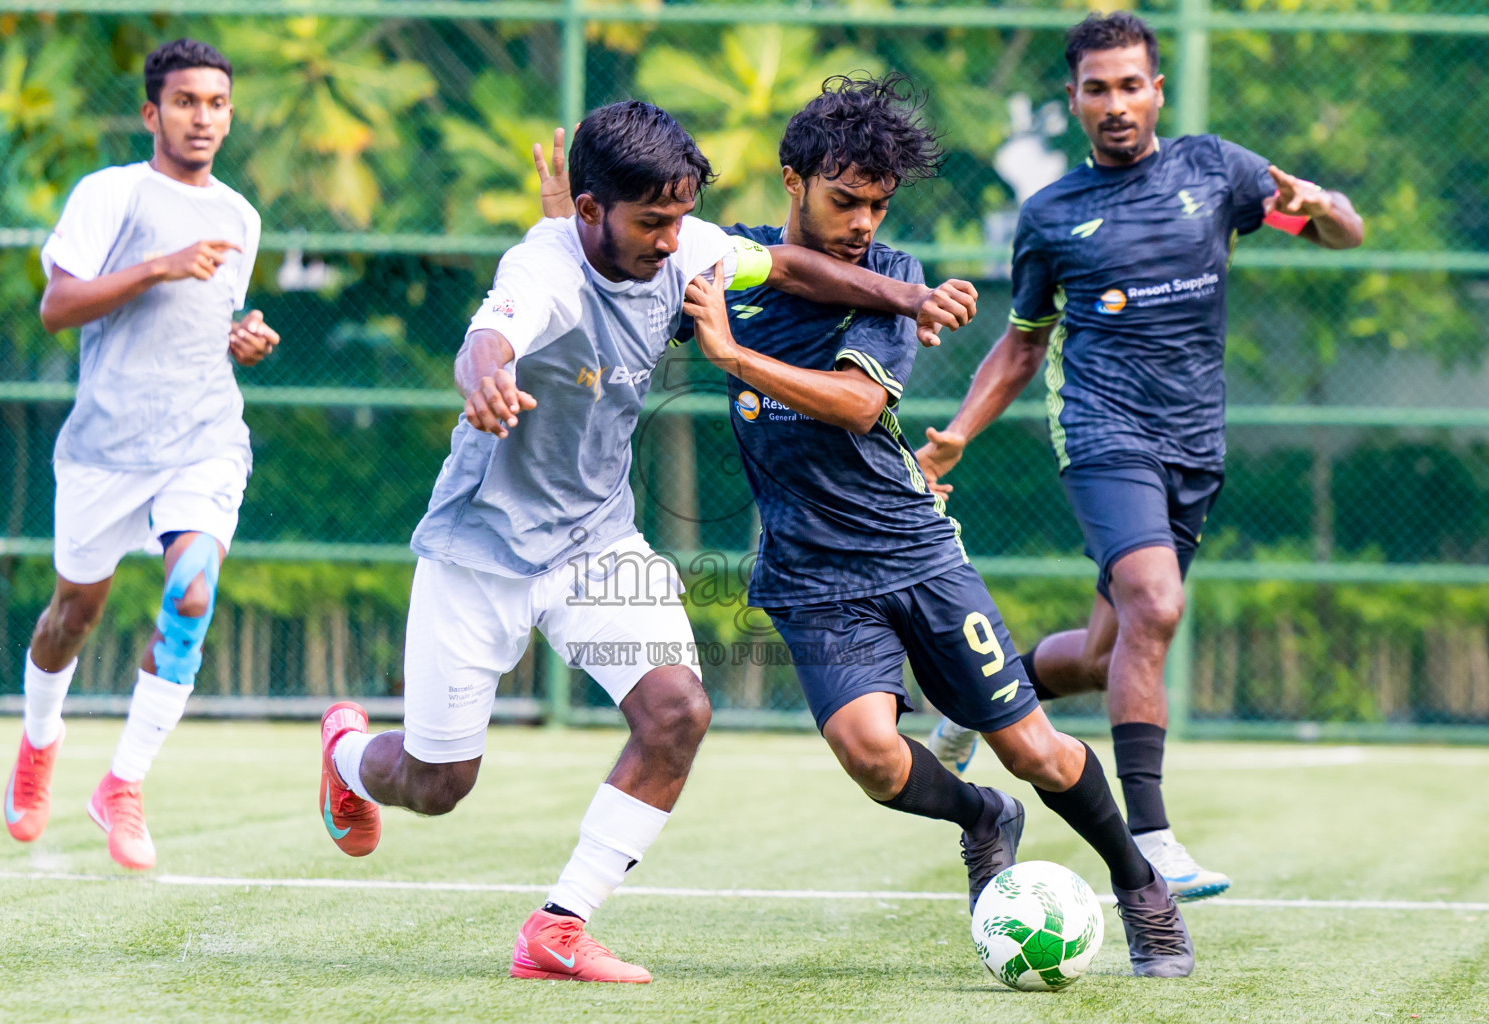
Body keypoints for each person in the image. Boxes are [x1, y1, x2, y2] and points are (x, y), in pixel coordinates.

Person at [315, 100, 979, 985]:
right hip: (482, 553)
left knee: (676, 714)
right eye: (651, 222)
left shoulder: (690, 245)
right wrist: (484, 381)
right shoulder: (542, 267)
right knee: (438, 785)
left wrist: (910, 296)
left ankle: (560, 926)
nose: (673, 243)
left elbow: (787, 267)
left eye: (679, 218)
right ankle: (348, 757)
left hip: (596, 543)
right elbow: (487, 339)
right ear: (588, 210)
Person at [659, 72, 1194, 979]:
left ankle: (1141, 884)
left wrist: (730, 355)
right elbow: (635, 279)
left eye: (878, 203)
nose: (864, 222)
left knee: (1035, 750)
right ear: (793, 182)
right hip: (806, 571)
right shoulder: (731, 262)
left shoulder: (893, 279)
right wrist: (574, 234)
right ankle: (982, 818)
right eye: (845, 201)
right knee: (871, 754)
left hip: (913, 552)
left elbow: (860, 405)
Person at [918, 11, 1364, 901]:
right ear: (1074, 100)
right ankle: (1152, 841)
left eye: (1131, 85)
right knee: (1157, 603)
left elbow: (1342, 234)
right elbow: (1021, 345)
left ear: (1156, 89)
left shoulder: (1219, 171)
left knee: (1101, 652)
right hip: (1101, 435)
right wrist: (958, 434)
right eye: (1097, 89)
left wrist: (1321, 205)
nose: (1116, 103)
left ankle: (966, 693)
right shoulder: (1050, 217)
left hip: (1195, 445)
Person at [3, 39, 279, 871]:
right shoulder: (110, 194)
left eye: (218, 104)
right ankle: (40, 740)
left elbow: (204, 324)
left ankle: (122, 783)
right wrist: (159, 266)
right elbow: (59, 306)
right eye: (187, 102)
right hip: (106, 446)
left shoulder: (241, 215)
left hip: (203, 437)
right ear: (152, 113)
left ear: (230, 116)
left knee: (191, 591)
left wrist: (243, 339)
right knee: (71, 619)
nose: (203, 117)